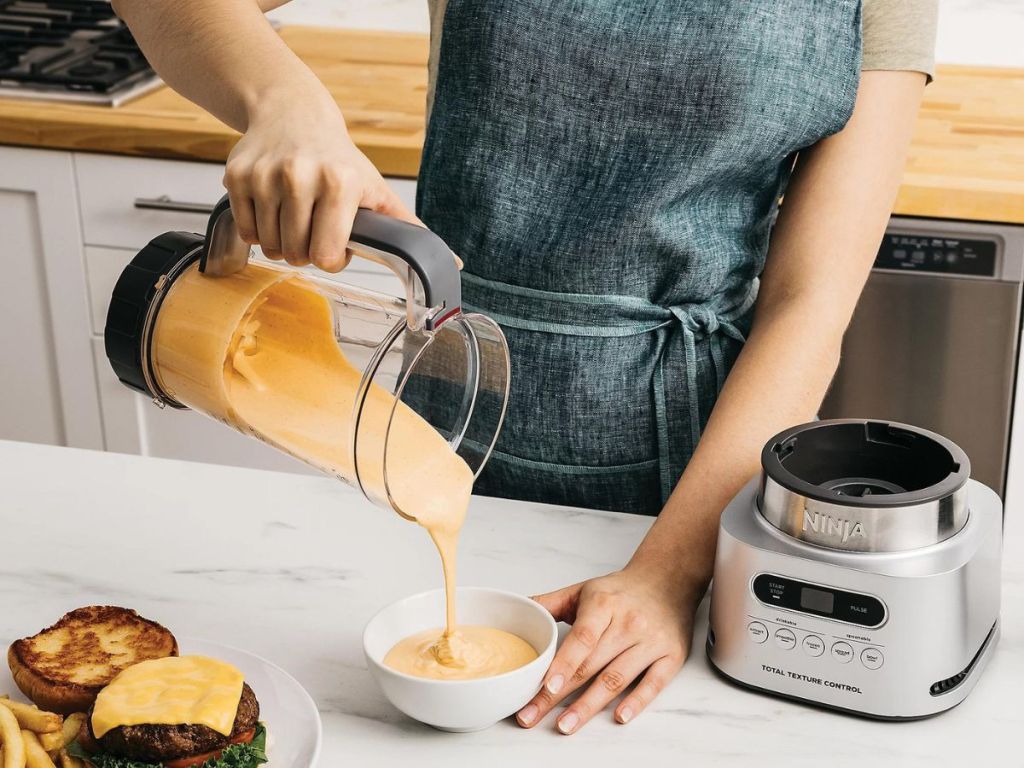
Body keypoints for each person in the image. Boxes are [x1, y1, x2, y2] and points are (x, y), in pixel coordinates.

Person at [113, 0, 938, 733]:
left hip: (685, 484)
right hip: (433, 415)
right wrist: (284, 101)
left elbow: (809, 305)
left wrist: (667, 576)